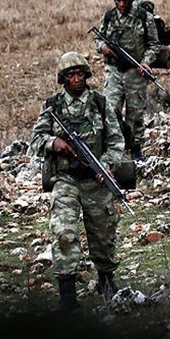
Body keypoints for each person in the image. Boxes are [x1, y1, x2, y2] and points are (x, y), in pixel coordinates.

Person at [29, 51, 126, 310]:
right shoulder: (52, 107)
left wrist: (106, 165)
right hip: (65, 180)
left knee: (103, 232)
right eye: (71, 75)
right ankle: (67, 294)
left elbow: (116, 141)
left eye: (80, 74)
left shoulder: (100, 104)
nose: (76, 79)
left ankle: (106, 280)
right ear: (63, 78)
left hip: (95, 180)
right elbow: (35, 141)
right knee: (63, 232)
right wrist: (53, 142)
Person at [94, 0, 161, 161]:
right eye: (118, 0)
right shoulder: (109, 17)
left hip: (135, 71)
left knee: (135, 112)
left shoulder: (143, 17)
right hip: (114, 71)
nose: (122, 4)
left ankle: (135, 147)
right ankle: (114, 145)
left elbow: (154, 44)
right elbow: (98, 39)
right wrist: (102, 47)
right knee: (110, 108)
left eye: (125, 0)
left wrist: (146, 62)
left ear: (131, 0)